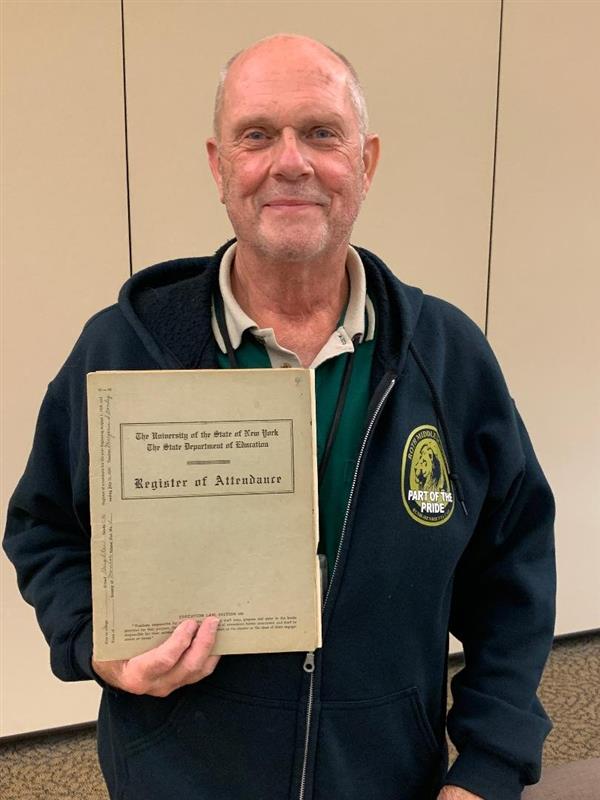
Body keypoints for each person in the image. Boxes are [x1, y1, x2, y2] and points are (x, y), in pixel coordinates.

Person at [3, 34, 556, 800]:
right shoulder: (125, 348)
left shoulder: (446, 356)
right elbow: (43, 528)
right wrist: (97, 643)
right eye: (257, 134)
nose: (290, 162)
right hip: (179, 778)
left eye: (322, 133)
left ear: (365, 163)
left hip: (388, 778)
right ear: (218, 165)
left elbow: (513, 573)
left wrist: (489, 769)